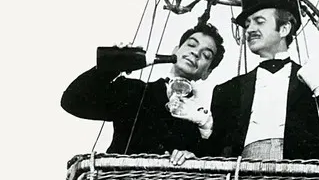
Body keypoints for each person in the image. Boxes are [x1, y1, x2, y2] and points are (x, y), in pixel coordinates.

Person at [203, 0, 319, 161]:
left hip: (303, 178)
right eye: (247, 24)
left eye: (259, 21)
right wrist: (203, 129)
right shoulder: (227, 91)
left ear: (284, 29)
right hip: (242, 178)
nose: (249, 29)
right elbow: (213, 156)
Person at [61, 23, 224, 161]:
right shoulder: (134, 91)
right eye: (191, 45)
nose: (196, 53)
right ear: (175, 51)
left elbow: (217, 162)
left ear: (207, 72)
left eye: (206, 55)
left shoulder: (203, 118)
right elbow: (72, 101)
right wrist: (115, 65)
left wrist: (194, 157)